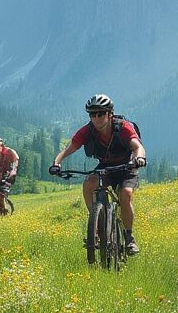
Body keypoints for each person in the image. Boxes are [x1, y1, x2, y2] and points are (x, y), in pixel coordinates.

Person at [49, 94, 146, 254]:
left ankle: (129, 238)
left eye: (100, 113)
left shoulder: (122, 127)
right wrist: (56, 163)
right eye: (92, 114)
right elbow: (69, 148)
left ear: (110, 114)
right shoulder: (88, 130)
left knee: (126, 194)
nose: (96, 118)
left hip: (127, 166)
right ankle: (95, 222)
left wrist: (139, 158)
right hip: (106, 166)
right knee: (88, 184)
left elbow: (137, 146)